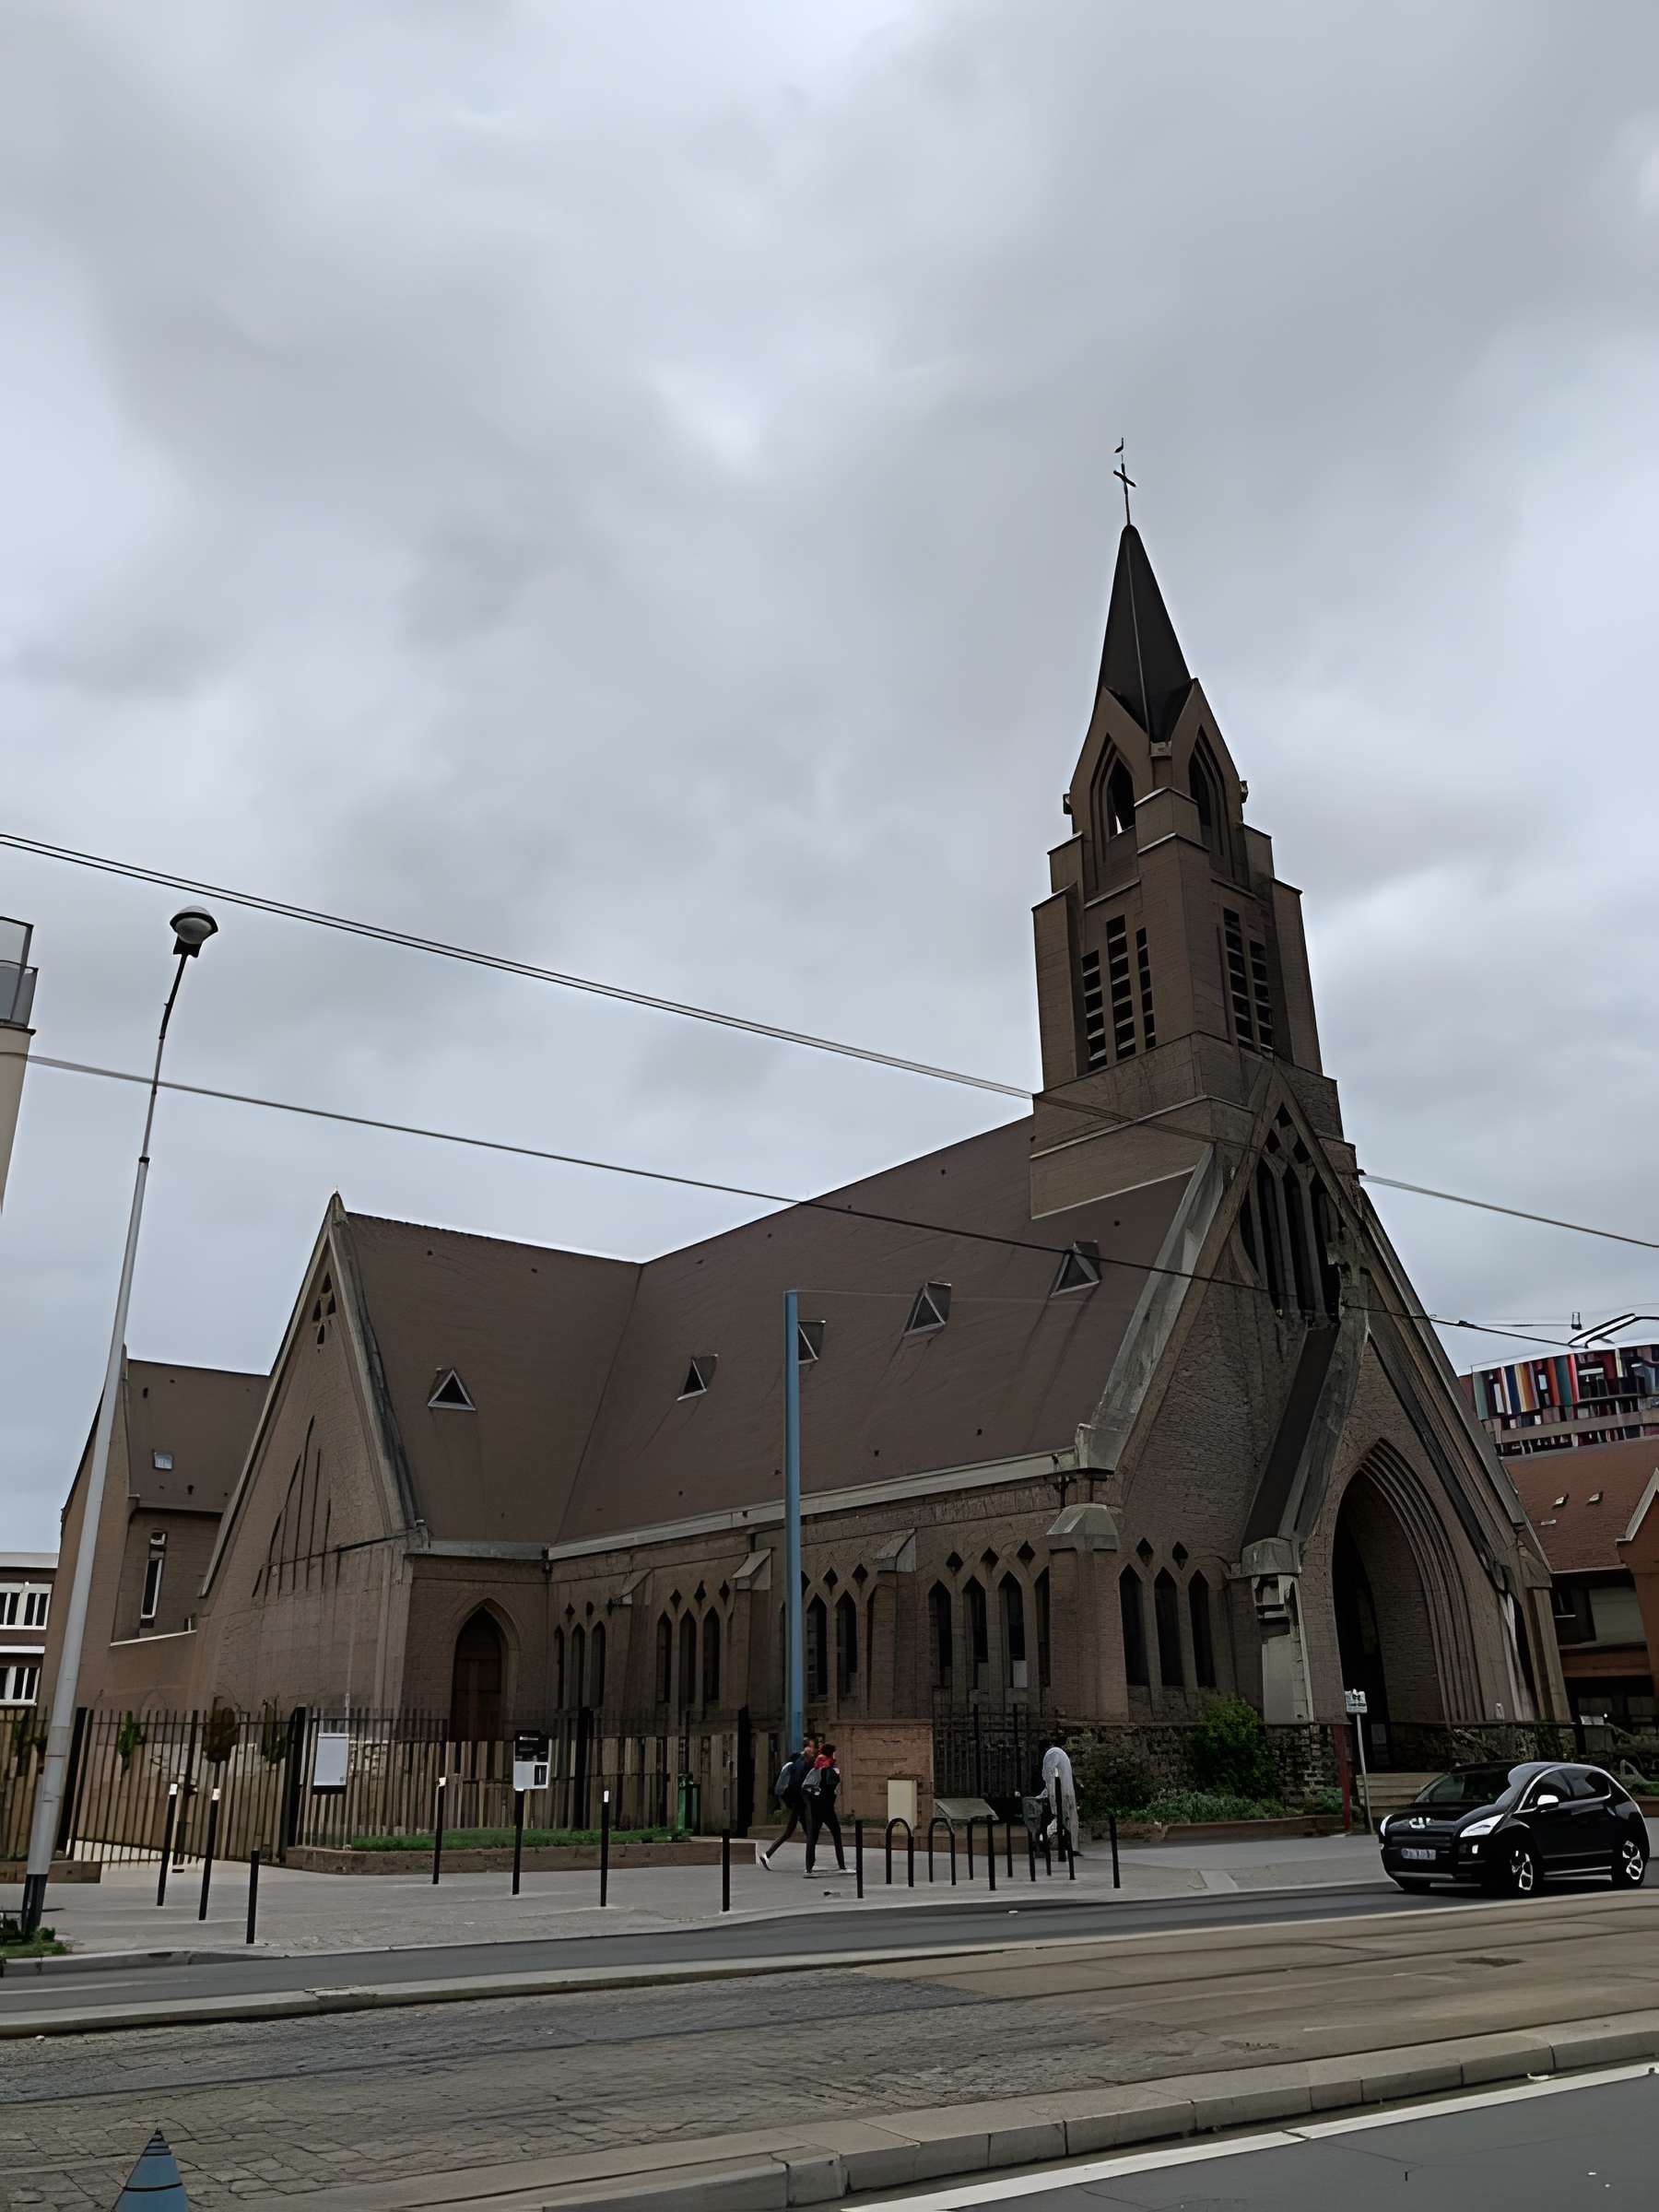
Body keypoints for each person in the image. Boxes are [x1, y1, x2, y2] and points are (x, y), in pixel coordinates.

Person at [759, 1735, 818, 1868]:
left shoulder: (799, 1759)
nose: (812, 1750)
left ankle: (767, 1855)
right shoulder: (802, 1762)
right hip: (801, 1803)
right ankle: (810, 1864)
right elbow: (798, 1783)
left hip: (797, 1803)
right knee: (809, 1834)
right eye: (811, 1747)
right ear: (807, 1747)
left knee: (789, 1833)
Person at [802, 1740, 848, 1876]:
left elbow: (806, 1786)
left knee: (813, 1837)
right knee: (835, 1833)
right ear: (831, 1754)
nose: (836, 1755)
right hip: (825, 1807)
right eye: (835, 1753)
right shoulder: (827, 1769)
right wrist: (820, 1793)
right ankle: (842, 1865)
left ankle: (809, 1867)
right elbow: (830, 1784)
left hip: (818, 1807)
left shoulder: (817, 1767)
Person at [1041, 1732, 1080, 1860]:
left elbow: (1049, 1777)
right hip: (1067, 1791)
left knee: (1061, 1818)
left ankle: (1042, 1839)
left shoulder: (1052, 1754)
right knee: (1069, 1819)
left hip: (1061, 1792)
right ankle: (1072, 1847)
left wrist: (1050, 1796)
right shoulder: (1060, 1754)